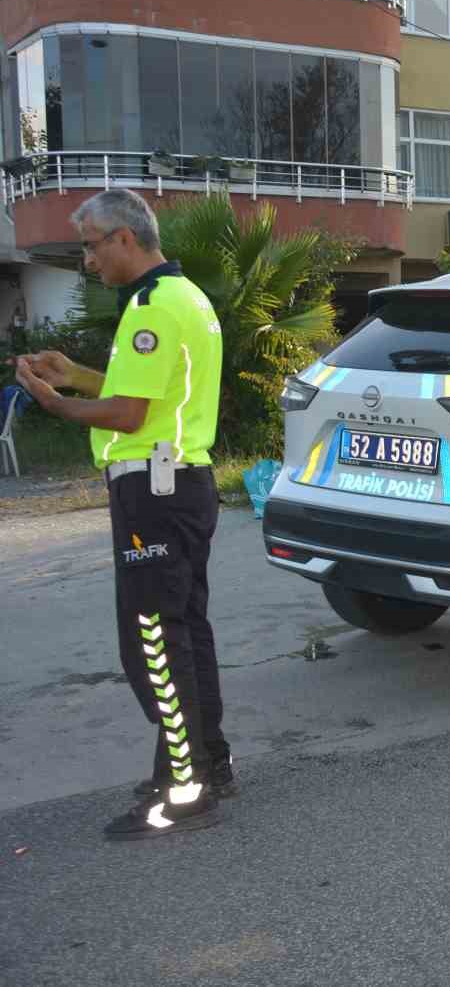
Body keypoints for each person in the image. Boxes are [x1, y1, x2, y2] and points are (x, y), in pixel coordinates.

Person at [10, 188, 233, 838]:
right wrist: (79, 374)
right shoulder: (183, 296)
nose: (87, 260)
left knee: (155, 644)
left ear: (126, 239)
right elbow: (146, 393)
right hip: (183, 483)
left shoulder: (153, 307)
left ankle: (185, 790)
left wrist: (56, 403)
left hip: (153, 491)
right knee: (186, 630)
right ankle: (206, 764)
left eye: (91, 244)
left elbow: (129, 415)